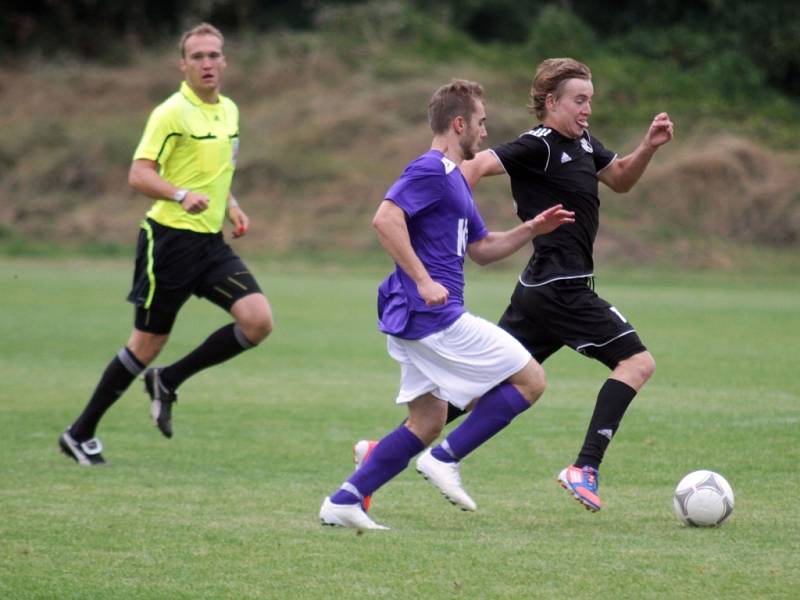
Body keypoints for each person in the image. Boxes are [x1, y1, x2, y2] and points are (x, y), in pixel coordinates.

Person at [353, 58, 673, 514]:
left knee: (488, 388)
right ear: (551, 102)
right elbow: (473, 166)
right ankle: (584, 467)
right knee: (637, 364)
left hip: (538, 290)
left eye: (590, 101)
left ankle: (383, 451)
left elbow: (620, 179)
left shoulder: (582, 142)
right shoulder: (536, 145)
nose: (587, 110)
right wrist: (449, 213)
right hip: (562, 287)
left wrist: (649, 147)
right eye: (579, 100)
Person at [319, 79, 574, 530]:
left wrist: (532, 229)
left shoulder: (455, 180)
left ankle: (345, 500)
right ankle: (444, 459)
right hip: (433, 316)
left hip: (415, 318)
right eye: (480, 123)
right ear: (459, 124)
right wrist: (422, 279)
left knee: (428, 418)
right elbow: (385, 218)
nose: (484, 133)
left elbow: (483, 248)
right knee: (531, 379)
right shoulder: (430, 169)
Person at [59, 23, 273, 466]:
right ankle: (80, 433)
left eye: (214, 55)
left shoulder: (229, 111)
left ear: (225, 61)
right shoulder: (171, 112)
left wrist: (231, 204)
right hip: (168, 243)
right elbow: (139, 174)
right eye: (198, 57)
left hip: (210, 244)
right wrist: (179, 195)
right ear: (184, 65)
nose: (208, 63)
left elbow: (215, 173)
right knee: (146, 343)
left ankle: (169, 381)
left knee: (258, 321)